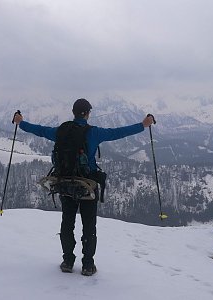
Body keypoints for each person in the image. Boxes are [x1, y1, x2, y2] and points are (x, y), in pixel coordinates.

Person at [14, 98, 154, 276]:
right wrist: (143, 125)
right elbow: (118, 132)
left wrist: (21, 123)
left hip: (64, 183)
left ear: (73, 112)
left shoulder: (60, 131)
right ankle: (88, 265)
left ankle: (67, 261)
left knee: (67, 222)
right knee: (88, 225)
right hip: (88, 184)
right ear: (87, 113)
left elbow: (39, 130)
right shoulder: (93, 132)